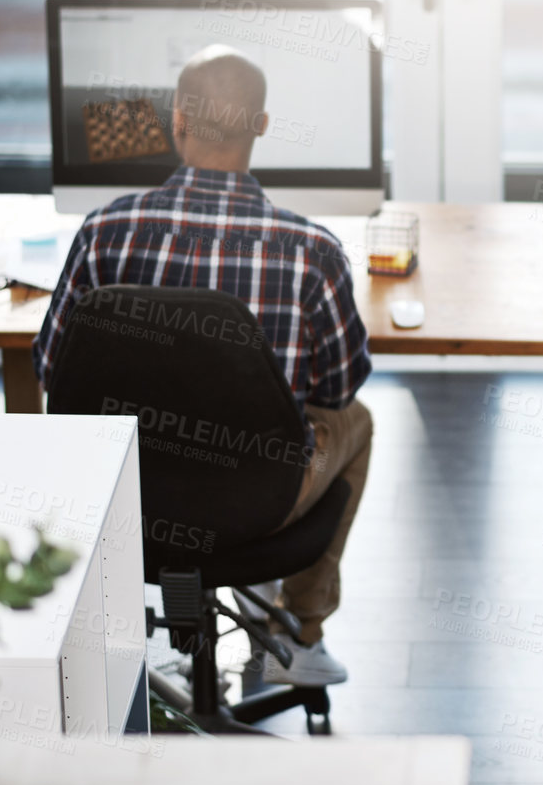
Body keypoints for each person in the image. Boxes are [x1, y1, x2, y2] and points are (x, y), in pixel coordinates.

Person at [32, 45, 371, 687]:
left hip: (123, 493)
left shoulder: (104, 232)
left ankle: (99, 629)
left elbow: (51, 371)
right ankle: (298, 632)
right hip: (260, 498)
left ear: (177, 121)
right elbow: (339, 386)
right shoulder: (313, 252)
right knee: (360, 421)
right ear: (262, 126)